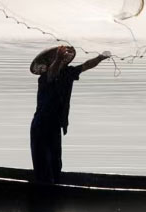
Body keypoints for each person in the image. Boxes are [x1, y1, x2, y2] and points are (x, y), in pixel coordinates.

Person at [28, 45, 111, 185]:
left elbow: (86, 65)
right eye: (55, 60)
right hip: (41, 126)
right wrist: (58, 58)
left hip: (55, 125)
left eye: (60, 59)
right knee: (42, 165)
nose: (60, 61)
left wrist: (100, 58)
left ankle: (53, 190)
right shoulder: (44, 78)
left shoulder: (68, 73)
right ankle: (43, 193)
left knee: (55, 164)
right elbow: (52, 75)